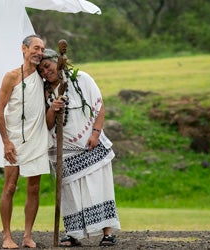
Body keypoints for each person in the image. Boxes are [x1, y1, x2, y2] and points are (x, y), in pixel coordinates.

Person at [38, 48, 121, 247]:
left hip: (90, 146)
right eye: (40, 70)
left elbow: (99, 106)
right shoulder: (44, 91)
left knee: (99, 189)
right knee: (70, 194)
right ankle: (73, 234)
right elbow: (47, 124)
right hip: (64, 152)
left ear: (58, 62)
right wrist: (52, 108)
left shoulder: (81, 79)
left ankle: (107, 233)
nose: (45, 72)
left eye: (47, 66)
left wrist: (95, 133)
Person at [0, 34, 52, 249]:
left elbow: (56, 71)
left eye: (42, 49)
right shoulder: (11, 77)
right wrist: (6, 142)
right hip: (15, 140)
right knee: (9, 187)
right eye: (36, 48)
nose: (39, 52)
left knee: (34, 188)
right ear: (24, 49)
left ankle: (28, 236)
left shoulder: (42, 76)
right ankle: (7, 236)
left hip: (37, 139)